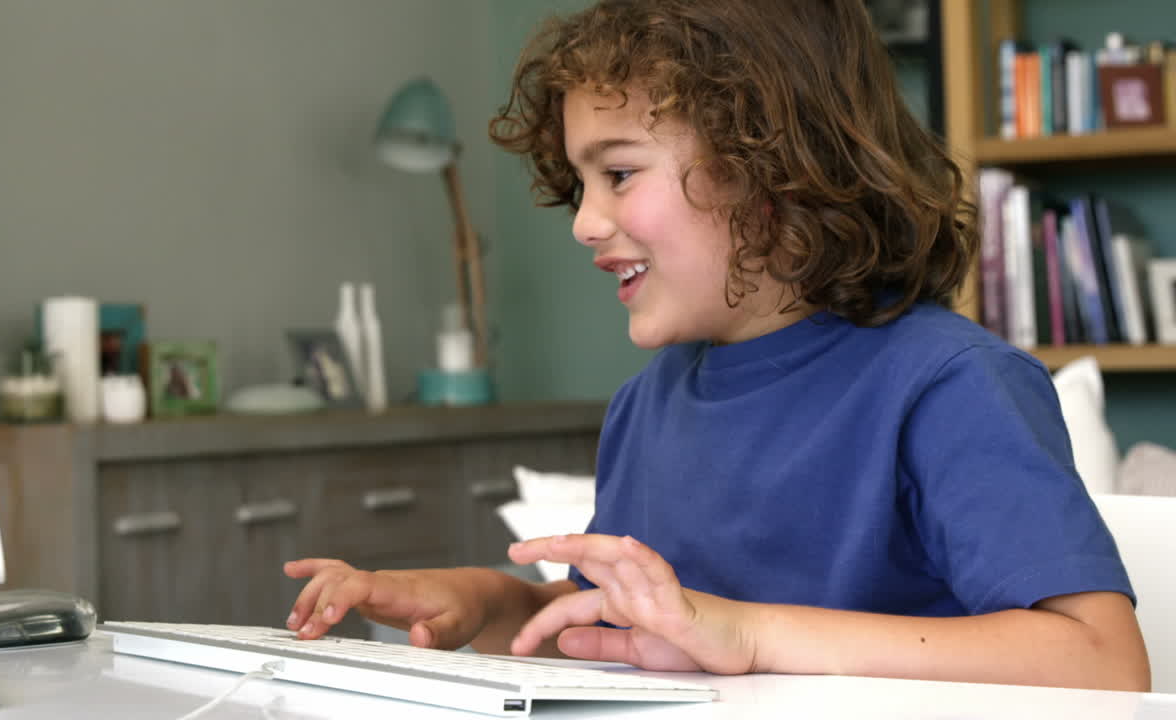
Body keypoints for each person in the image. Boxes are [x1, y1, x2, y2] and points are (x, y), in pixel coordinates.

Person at [284, 0, 1150, 691]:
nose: (585, 222)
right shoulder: (647, 405)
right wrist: (483, 601)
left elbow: (1104, 662)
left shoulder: (950, 385)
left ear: (774, 163)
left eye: (619, 173)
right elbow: (625, 633)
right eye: (581, 184)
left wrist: (745, 634)